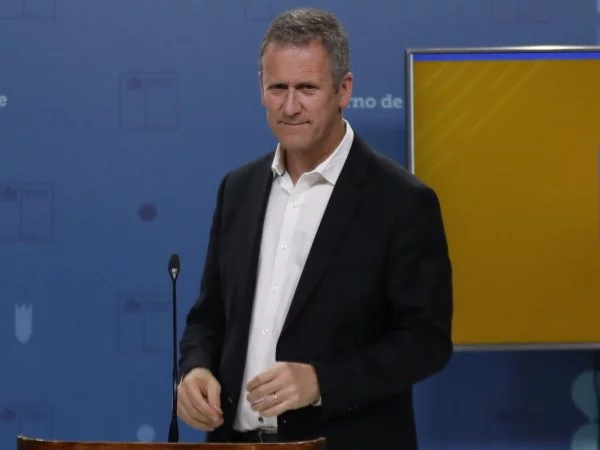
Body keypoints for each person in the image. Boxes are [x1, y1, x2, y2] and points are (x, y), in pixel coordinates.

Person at [176, 7, 453, 450]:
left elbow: (426, 341)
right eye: (278, 88)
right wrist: (196, 368)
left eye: (307, 88)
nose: (290, 107)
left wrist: (323, 381)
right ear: (261, 89)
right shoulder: (238, 189)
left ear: (344, 90)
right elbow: (209, 315)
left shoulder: (401, 201)